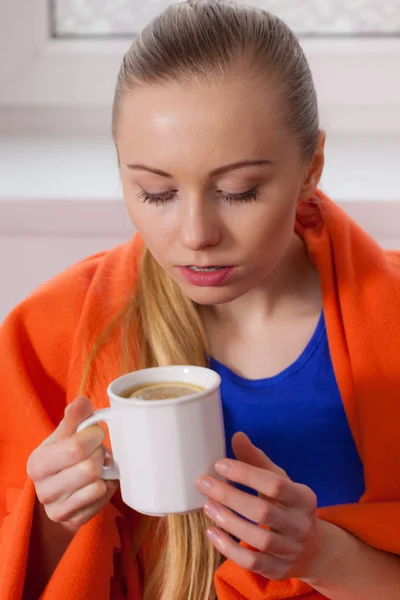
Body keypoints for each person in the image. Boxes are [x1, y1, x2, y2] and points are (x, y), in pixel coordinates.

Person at [1, 1, 400, 599]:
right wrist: (57, 517)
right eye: (156, 192)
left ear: (311, 167)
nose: (195, 236)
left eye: (239, 192)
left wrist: (321, 554)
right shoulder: (45, 335)